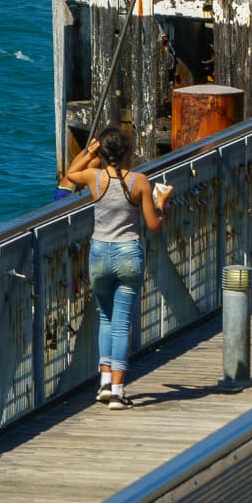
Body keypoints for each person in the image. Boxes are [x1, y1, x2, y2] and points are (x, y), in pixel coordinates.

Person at [59, 126, 173, 405]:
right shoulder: (140, 182)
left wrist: (88, 153)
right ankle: (118, 392)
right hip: (127, 254)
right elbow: (153, 225)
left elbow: (69, 175)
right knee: (122, 323)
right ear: (127, 153)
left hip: (99, 252)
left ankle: (105, 382)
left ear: (105, 153)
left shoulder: (94, 178)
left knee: (106, 318)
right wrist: (162, 202)